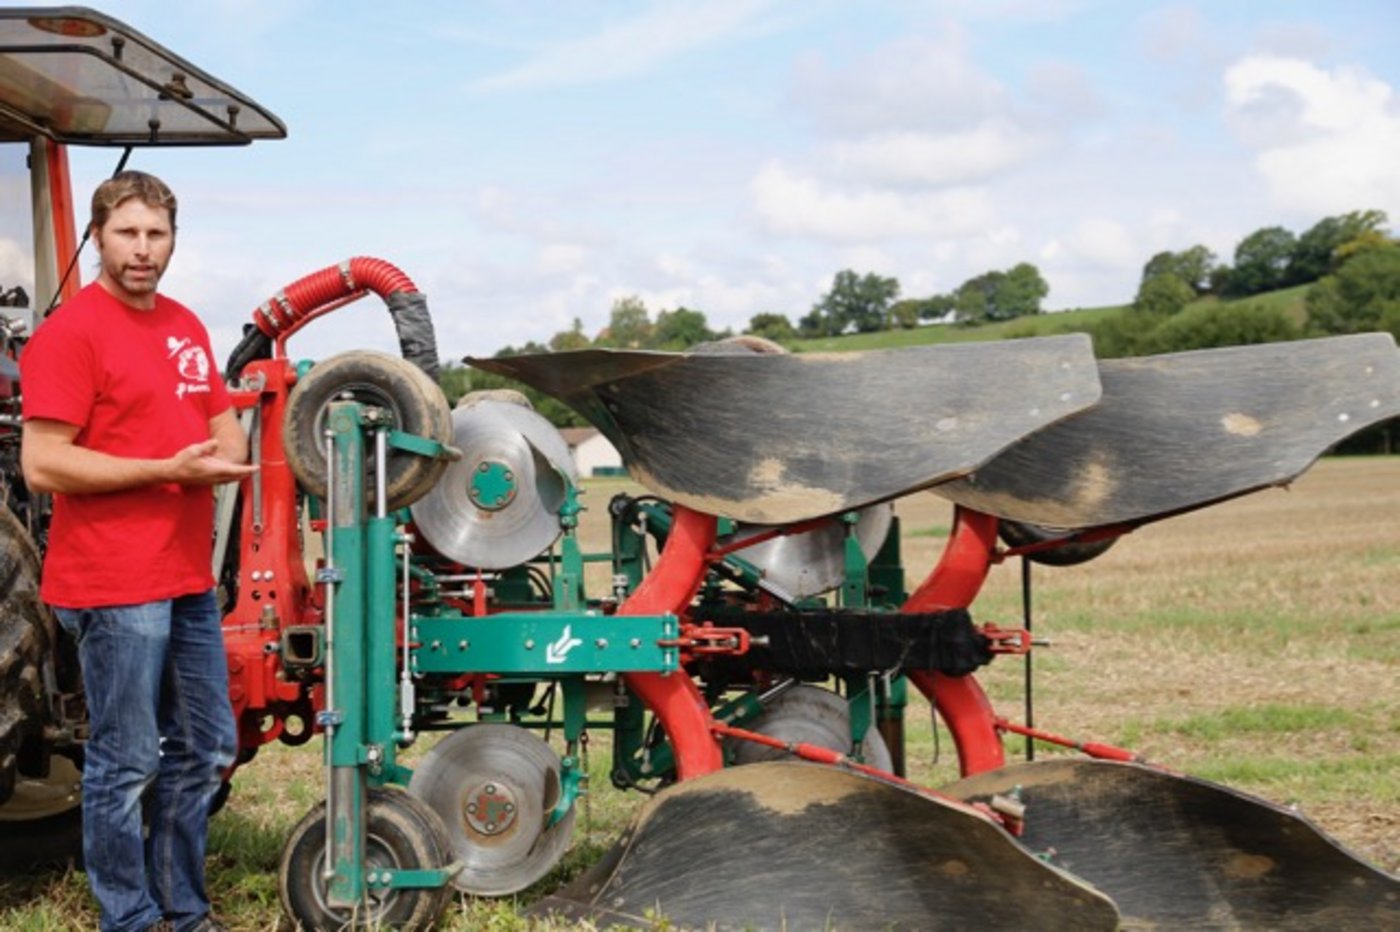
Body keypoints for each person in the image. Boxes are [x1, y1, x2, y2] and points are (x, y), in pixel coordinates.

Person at [20, 170, 256, 932]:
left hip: (184, 576)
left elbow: (225, 431)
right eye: (127, 233)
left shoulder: (185, 325)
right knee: (126, 763)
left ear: (174, 240)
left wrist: (219, 454)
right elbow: (42, 464)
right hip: (114, 582)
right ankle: (128, 917)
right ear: (98, 237)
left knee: (207, 747)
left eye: (157, 234)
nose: (143, 249)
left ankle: (182, 909)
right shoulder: (71, 333)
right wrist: (165, 469)